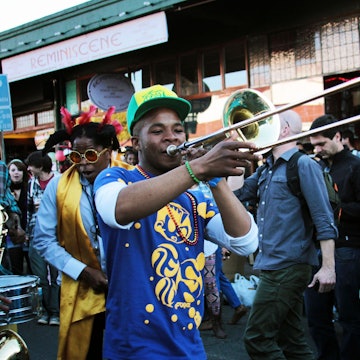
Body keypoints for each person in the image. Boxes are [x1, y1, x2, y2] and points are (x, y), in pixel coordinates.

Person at [93, 84, 259, 359]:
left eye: (178, 130)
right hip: (135, 348)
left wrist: (216, 181)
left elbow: (246, 241)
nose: (171, 138)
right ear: (136, 142)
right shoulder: (115, 179)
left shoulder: (194, 195)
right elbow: (118, 208)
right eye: (157, 131)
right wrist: (199, 168)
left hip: (189, 345)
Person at [235, 110, 338, 359]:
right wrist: (234, 156)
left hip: (287, 266)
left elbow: (324, 219)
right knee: (291, 341)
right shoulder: (266, 169)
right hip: (273, 265)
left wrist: (328, 267)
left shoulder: (303, 164)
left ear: (284, 130)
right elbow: (236, 197)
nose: (260, 127)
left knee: (257, 340)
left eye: (268, 123)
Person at [33, 105, 132, 360]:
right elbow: (44, 240)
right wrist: (84, 272)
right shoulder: (58, 186)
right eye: (76, 157)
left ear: (107, 152)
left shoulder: (132, 180)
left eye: (90, 155)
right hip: (84, 292)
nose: (83, 164)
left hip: (131, 289)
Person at [306, 114, 360, 360]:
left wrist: (334, 207)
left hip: (347, 248)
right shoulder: (317, 165)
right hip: (318, 248)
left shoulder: (355, 166)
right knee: (316, 316)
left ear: (338, 137)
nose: (316, 149)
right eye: (313, 145)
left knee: (349, 317)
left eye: (321, 144)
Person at [25, 150, 60, 327]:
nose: (28, 168)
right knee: (40, 276)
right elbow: (28, 211)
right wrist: (26, 234)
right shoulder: (31, 184)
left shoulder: (59, 180)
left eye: (31, 165)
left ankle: (55, 311)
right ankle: (45, 310)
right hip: (35, 235)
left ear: (40, 165)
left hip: (57, 235)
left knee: (56, 275)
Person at [6, 159, 31, 275]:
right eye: (13, 170)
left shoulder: (29, 188)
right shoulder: (5, 192)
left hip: (29, 233)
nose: (16, 173)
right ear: (8, 172)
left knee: (32, 267)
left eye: (20, 170)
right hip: (11, 235)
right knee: (16, 268)